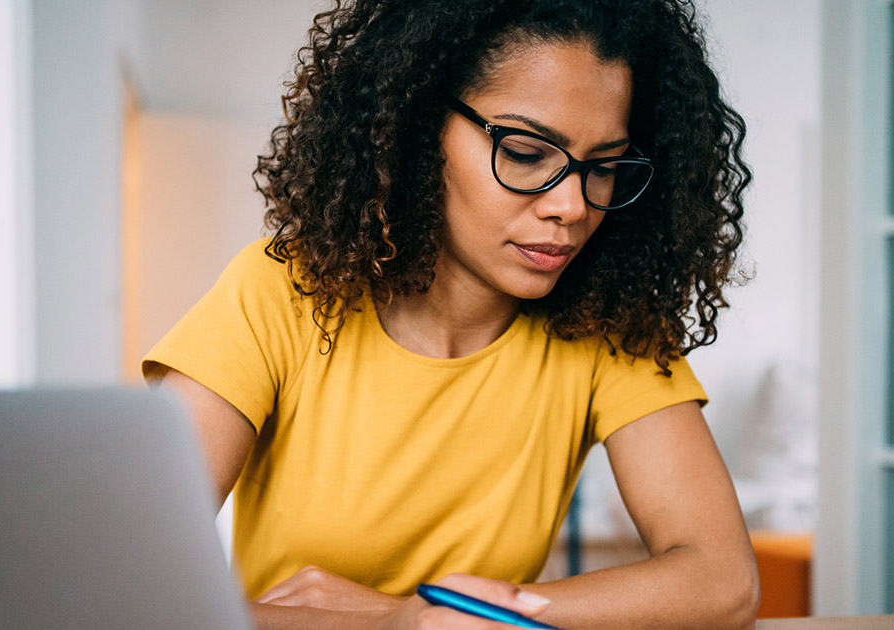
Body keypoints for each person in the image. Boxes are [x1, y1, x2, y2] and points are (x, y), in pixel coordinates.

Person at [144, 0, 759, 627]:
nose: (572, 206)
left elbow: (723, 582)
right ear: (416, 126)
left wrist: (428, 616)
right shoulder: (281, 292)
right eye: (524, 152)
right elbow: (134, 589)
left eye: (603, 168)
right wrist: (401, 625)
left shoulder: (606, 325)